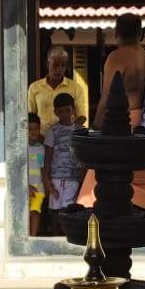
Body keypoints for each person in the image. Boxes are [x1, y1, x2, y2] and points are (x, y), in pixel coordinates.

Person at [79, 12, 145, 208]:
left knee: (101, 181)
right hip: (141, 126)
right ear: (140, 33)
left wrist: (95, 127)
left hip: (118, 123)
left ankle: (97, 229)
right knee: (138, 179)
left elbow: (107, 97)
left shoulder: (118, 56)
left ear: (117, 32)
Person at [42, 91, 83, 223]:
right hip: (56, 178)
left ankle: (67, 237)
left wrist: (82, 177)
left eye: (67, 110)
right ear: (55, 112)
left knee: (70, 211)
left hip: (73, 178)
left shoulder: (80, 131)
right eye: (60, 111)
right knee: (55, 212)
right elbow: (47, 156)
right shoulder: (52, 130)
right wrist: (47, 180)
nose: (64, 114)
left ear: (73, 110)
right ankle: (55, 236)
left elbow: (83, 156)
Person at [27, 46, 88, 132]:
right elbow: (31, 117)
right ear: (48, 64)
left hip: (65, 141)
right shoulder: (34, 87)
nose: (59, 69)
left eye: (63, 65)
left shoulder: (76, 88)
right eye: (55, 65)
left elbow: (81, 116)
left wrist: (68, 132)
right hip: (41, 139)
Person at [26, 112, 46, 237]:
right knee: (24, 213)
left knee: (35, 211)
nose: (33, 131)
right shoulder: (22, 148)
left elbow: (43, 169)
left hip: (38, 186)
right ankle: (25, 237)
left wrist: (44, 185)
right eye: (29, 128)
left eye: (36, 128)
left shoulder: (42, 149)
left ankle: (32, 238)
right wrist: (27, 186)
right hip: (25, 186)